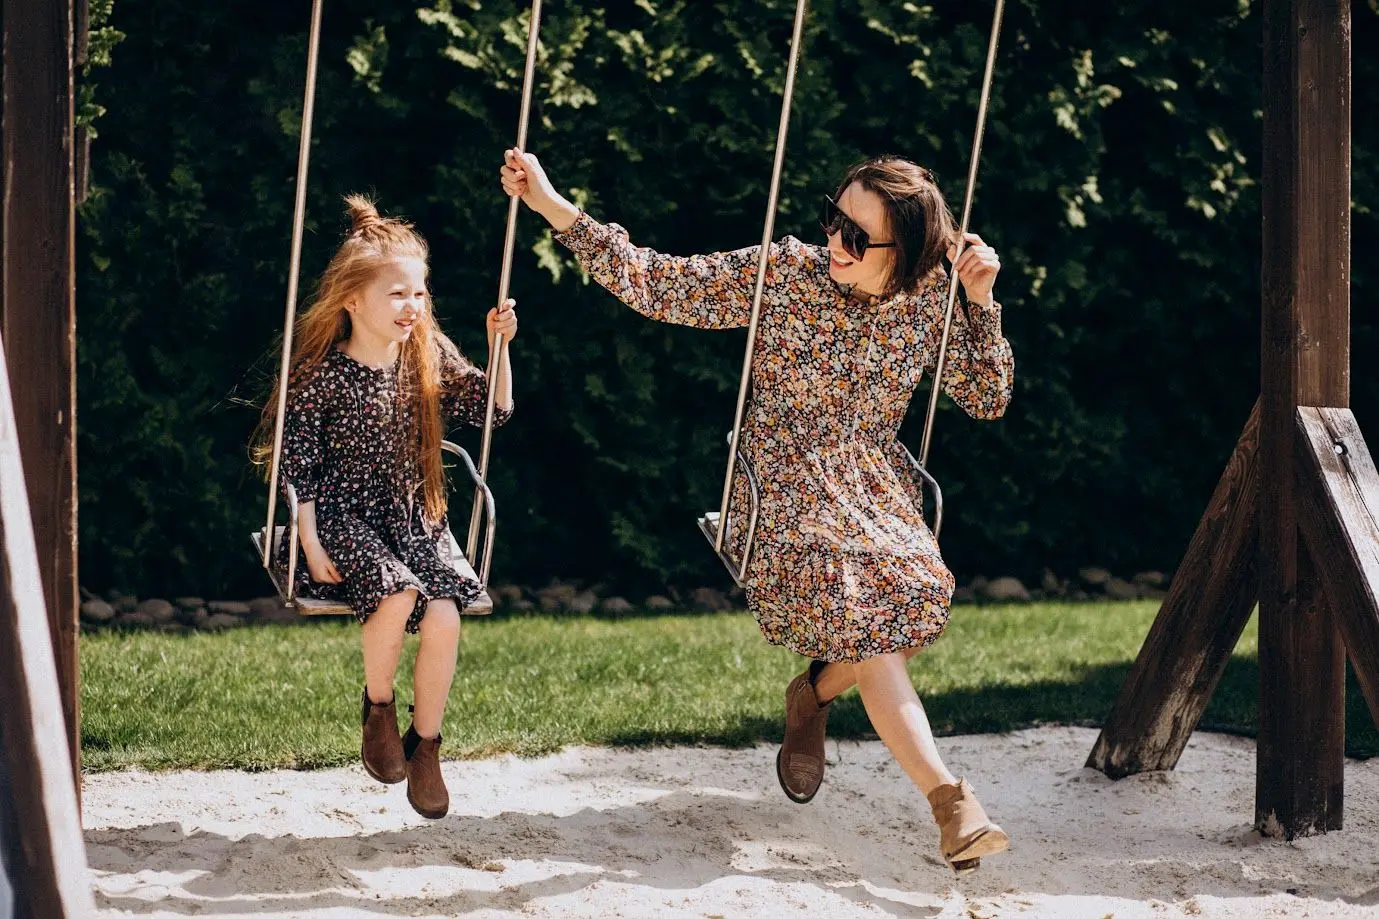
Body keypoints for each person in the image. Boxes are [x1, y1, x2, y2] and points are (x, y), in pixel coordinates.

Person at [501, 149, 1012, 871]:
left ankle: (813, 692)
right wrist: (554, 206)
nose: (834, 242)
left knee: (904, 615)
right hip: (780, 483)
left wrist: (980, 304)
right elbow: (657, 283)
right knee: (876, 627)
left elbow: (986, 397)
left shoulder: (930, 295)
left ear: (904, 252)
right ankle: (951, 803)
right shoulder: (788, 273)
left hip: (872, 487)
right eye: (832, 218)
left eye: (856, 237)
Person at [252, 195, 516, 819]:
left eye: (419, 294)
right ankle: (379, 709)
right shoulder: (322, 374)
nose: (413, 306)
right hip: (343, 519)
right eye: (397, 294)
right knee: (396, 596)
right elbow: (297, 464)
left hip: (411, 518)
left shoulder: (426, 356)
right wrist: (309, 541)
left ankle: (426, 746)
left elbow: (494, 411)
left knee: (445, 615)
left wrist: (499, 347)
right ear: (352, 299)